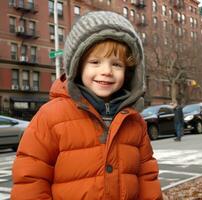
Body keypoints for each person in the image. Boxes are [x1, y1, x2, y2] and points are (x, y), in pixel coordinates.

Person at [11, 11, 162, 200]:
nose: (106, 71)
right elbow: (30, 180)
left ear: (129, 71)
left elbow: (147, 176)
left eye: (116, 64)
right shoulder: (51, 117)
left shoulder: (134, 121)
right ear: (78, 66)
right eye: (95, 62)